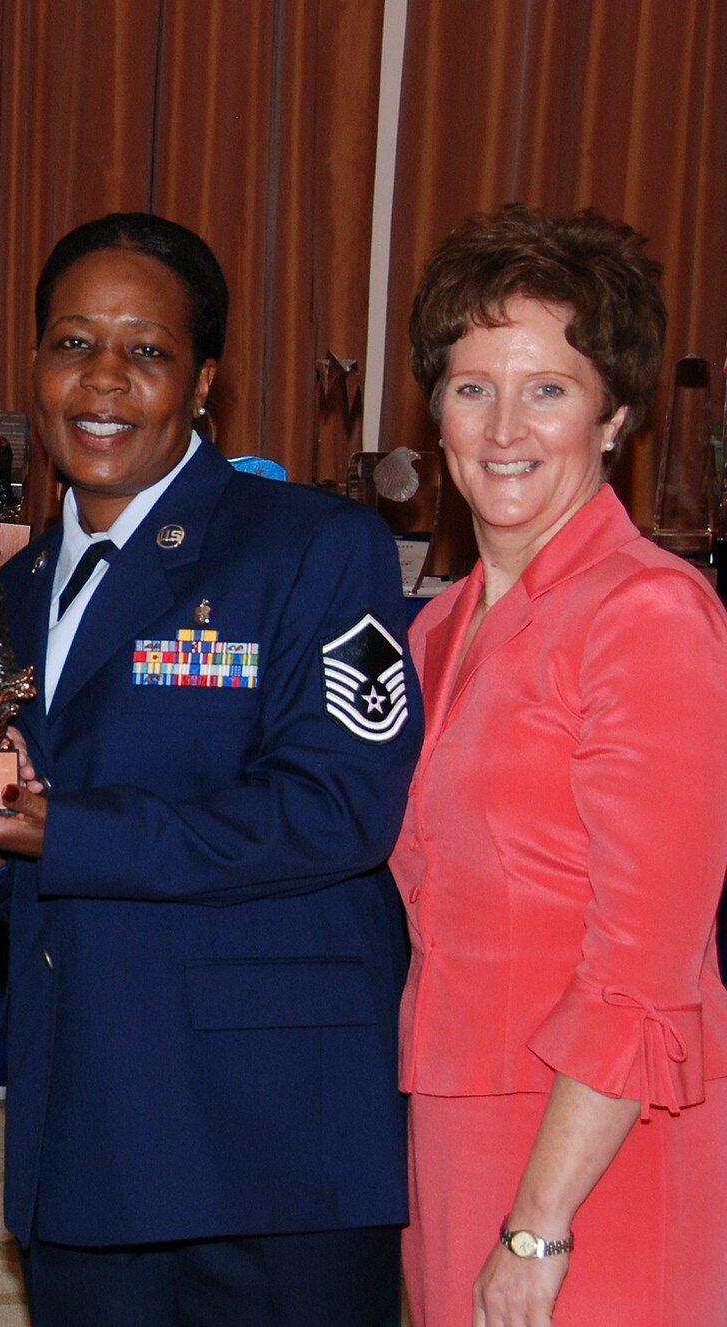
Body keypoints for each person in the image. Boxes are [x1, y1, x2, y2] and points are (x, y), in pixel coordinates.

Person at [0, 213, 419, 1326]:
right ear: (32, 366)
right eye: (70, 343)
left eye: (145, 350)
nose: (101, 380)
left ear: (202, 380)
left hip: (268, 1152)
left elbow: (337, 810)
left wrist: (64, 827)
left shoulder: (310, 546)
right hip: (81, 1142)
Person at [397, 205, 727, 1327]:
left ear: (614, 414)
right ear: (434, 407)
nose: (502, 426)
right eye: (470, 384)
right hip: (453, 1128)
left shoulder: (646, 613)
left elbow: (644, 962)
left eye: (546, 388)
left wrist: (537, 1223)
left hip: (595, 1148)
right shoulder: (436, 629)